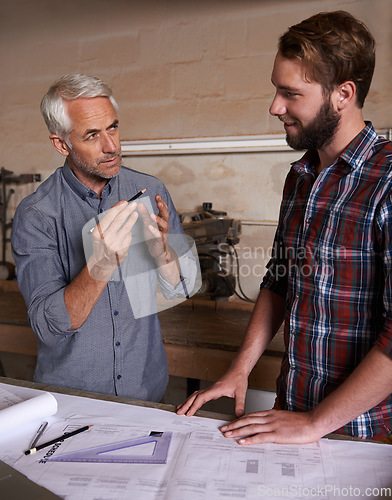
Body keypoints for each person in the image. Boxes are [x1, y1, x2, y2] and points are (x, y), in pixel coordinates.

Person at [177, 11, 392, 443]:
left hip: (365, 435)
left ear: (343, 95)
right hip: (291, 414)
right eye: (277, 90)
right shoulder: (301, 176)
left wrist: (316, 423)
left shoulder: (387, 180)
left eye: (290, 94)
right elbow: (279, 280)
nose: (275, 107)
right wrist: (240, 370)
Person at [11, 73, 197, 402]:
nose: (111, 146)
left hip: (146, 392)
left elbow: (181, 287)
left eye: (112, 127)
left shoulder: (151, 190)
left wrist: (161, 252)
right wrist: (101, 264)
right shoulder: (36, 214)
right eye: (92, 135)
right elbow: (50, 327)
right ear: (61, 144)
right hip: (71, 399)